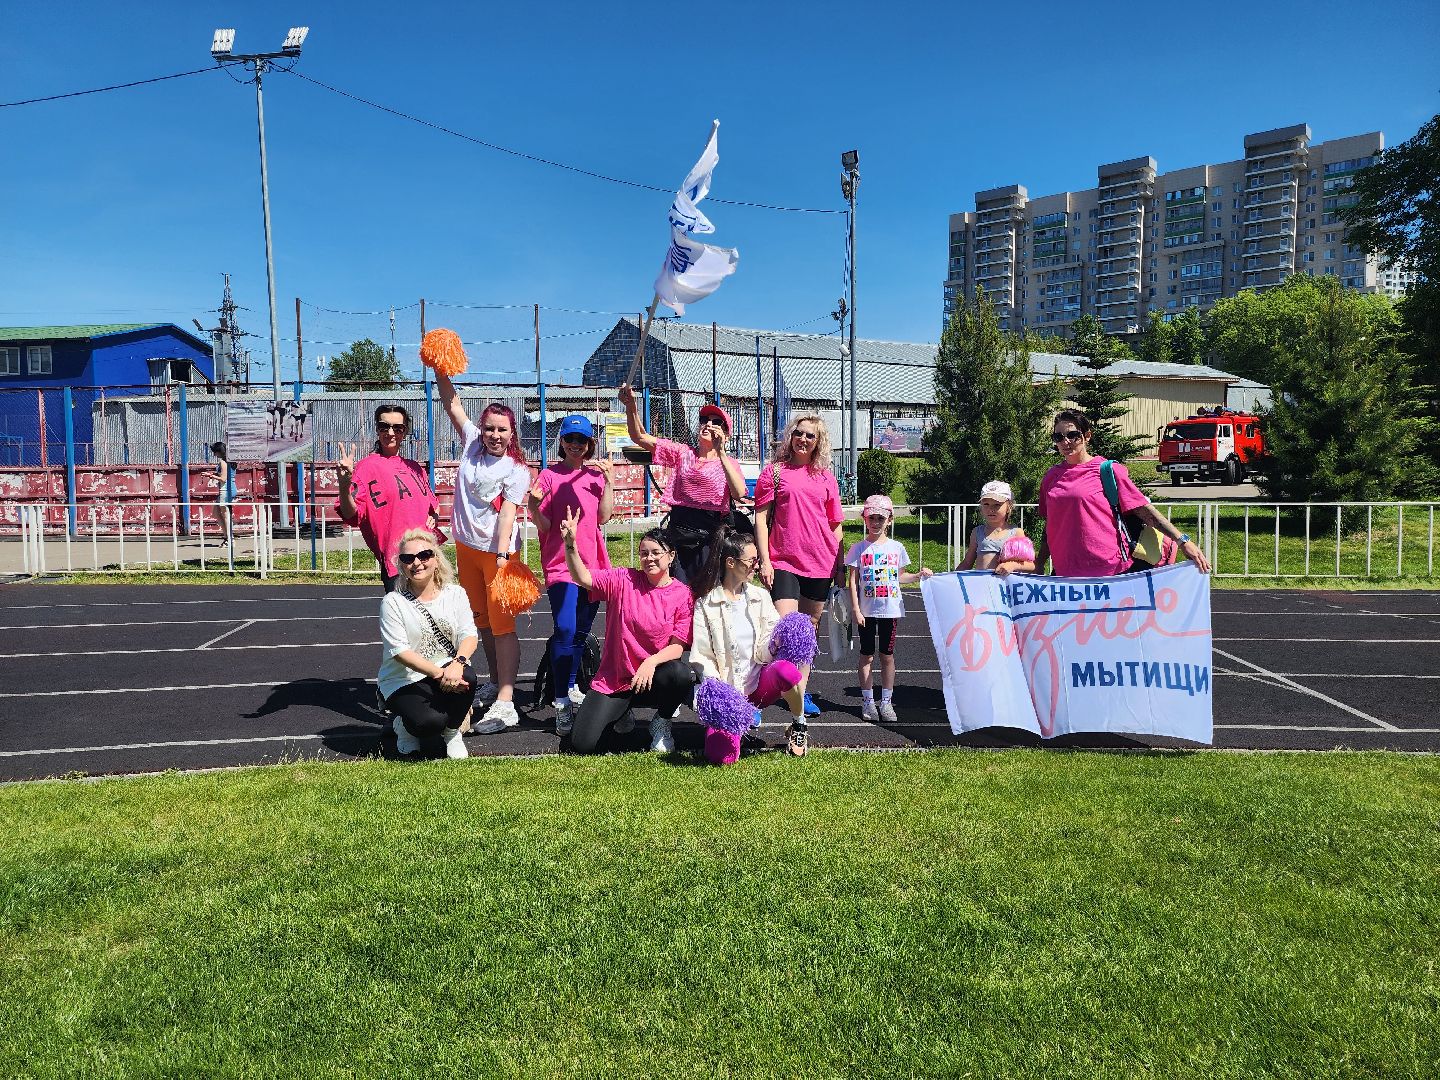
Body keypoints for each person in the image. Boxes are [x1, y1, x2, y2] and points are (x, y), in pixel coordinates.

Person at [435, 372, 531, 733]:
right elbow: (452, 404)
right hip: (466, 547)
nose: (494, 435)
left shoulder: (517, 469)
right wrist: (439, 369)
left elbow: (508, 513)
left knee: (503, 626)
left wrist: (504, 557)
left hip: (497, 553)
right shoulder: (472, 442)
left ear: (512, 434)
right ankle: (493, 682)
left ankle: (507, 701)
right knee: (482, 623)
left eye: (502, 430)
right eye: (490, 428)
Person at [559, 508, 697, 755]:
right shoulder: (624, 579)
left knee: (681, 674)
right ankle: (622, 714)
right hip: (616, 678)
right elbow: (583, 578)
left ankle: (662, 721)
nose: (649, 558)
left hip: (654, 677)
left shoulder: (682, 594)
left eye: (656, 553)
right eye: (644, 553)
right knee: (582, 744)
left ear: (671, 556)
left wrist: (651, 662)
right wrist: (571, 545)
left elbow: (678, 646)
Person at [1036, 408, 1212, 577]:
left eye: (1073, 435)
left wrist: (1183, 541)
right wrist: (1040, 562)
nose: (1065, 442)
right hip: (1064, 572)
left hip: (1108, 572)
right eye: (1058, 437)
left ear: (1087, 436)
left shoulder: (1108, 470)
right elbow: (1051, 523)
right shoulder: (1051, 477)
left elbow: (1145, 511)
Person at [690, 526, 810, 762]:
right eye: (752, 560)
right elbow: (702, 655)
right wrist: (721, 694)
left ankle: (799, 724)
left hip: (759, 686)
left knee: (787, 670)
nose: (757, 565)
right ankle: (738, 725)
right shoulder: (705, 603)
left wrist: (781, 638)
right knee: (721, 757)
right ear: (731, 563)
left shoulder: (761, 596)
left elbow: (768, 643)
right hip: (729, 691)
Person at [754, 414, 844, 726]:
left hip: (821, 562)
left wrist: (840, 566)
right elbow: (761, 520)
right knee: (784, 628)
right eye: (799, 433)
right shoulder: (775, 473)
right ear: (791, 436)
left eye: (810, 436)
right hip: (783, 561)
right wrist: (764, 560)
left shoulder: (826, 478)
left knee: (807, 633)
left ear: (819, 443)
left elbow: (836, 527)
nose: (803, 439)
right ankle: (760, 694)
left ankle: (799, 697)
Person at [529, 415, 614, 736]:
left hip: (593, 566)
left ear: (590, 443)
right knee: (565, 630)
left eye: (582, 440)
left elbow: (604, 517)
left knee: (580, 634)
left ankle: (569, 686)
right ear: (561, 441)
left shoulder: (595, 476)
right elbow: (544, 525)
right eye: (570, 439)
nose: (576, 445)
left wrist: (609, 482)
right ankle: (562, 700)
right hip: (561, 564)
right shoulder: (548, 477)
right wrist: (534, 506)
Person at [617, 382, 747, 586]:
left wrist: (720, 452)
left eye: (716, 422)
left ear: (726, 434)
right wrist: (631, 405)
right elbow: (639, 437)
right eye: (704, 420)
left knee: (707, 593)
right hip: (679, 531)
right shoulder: (682, 453)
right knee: (677, 589)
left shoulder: (729, 463)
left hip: (709, 537)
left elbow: (739, 493)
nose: (708, 424)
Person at [378, 529, 478, 760]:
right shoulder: (393, 602)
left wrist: (458, 663)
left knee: (469, 677)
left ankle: (452, 734)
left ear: (436, 558)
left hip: (446, 668)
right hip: (403, 678)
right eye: (408, 558)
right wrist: (441, 674)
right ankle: (403, 727)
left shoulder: (456, 594)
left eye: (424, 555)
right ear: (401, 565)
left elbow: (469, 635)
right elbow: (400, 652)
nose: (417, 563)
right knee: (429, 723)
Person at [844, 495, 933, 724]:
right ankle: (867, 701)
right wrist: (855, 608)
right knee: (867, 655)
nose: (875, 522)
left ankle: (886, 701)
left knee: (887, 656)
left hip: (890, 611)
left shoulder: (897, 547)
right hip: (866, 611)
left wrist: (918, 575)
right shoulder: (858, 549)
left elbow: (901, 576)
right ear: (865, 519)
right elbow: (852, 581)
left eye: (880, 518)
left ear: (889, 520)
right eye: (871, 517)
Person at [335, 405, 440, 593]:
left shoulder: (415, 468)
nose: (390, 433)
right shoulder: (366, 467)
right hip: (399, 564)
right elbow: (350, 513)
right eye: (384, 427)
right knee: (402, 620)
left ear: (405, 431)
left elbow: (433, 506)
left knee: (432, 620)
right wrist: (344, 484)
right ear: (377, 429)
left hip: (428, 559)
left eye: (397, 428)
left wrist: (435, 516)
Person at [955, 481, 1037, 576]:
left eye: (997, 505)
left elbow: (1032, 566)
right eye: (986, 504)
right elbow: (967, 563)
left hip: (1005, 589)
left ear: (1009, 507)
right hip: (982, 587)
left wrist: (1013, 565)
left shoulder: (1016, 533)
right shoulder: (977, 532)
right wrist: (950, 579)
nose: (991, 509)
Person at [209, 441, 233, 544]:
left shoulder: (223, 462)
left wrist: (212, 476)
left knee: (225, 514)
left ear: (220, 451)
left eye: (215, 452)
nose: (214, 454)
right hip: (226, 489)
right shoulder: (227, 461)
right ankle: (226, 536)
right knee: (216, 513)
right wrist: (213, 474)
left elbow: (223, 478)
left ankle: (229, 538)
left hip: (225, 489)